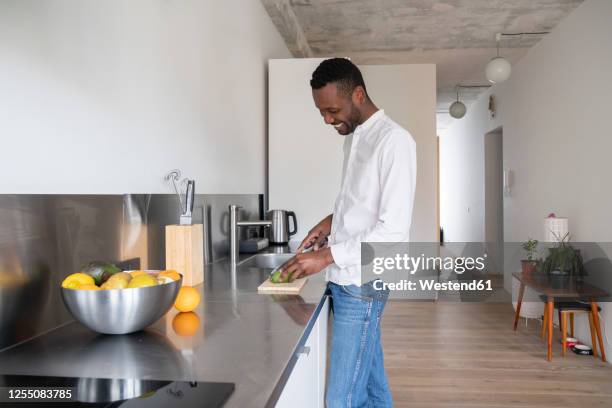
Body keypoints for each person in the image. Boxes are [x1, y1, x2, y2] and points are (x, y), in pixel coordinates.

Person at [278, 57, 416, 408]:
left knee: (340, 398)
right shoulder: (354, 139)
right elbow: (356, 202)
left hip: (363, 282)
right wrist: (328, 224)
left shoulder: (395, 142)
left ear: (358, 95)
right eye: (321, 112)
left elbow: (394, 230)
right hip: (346, 276)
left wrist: (323, 257)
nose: (327, 119)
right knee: (369, 379)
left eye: (332, 110)